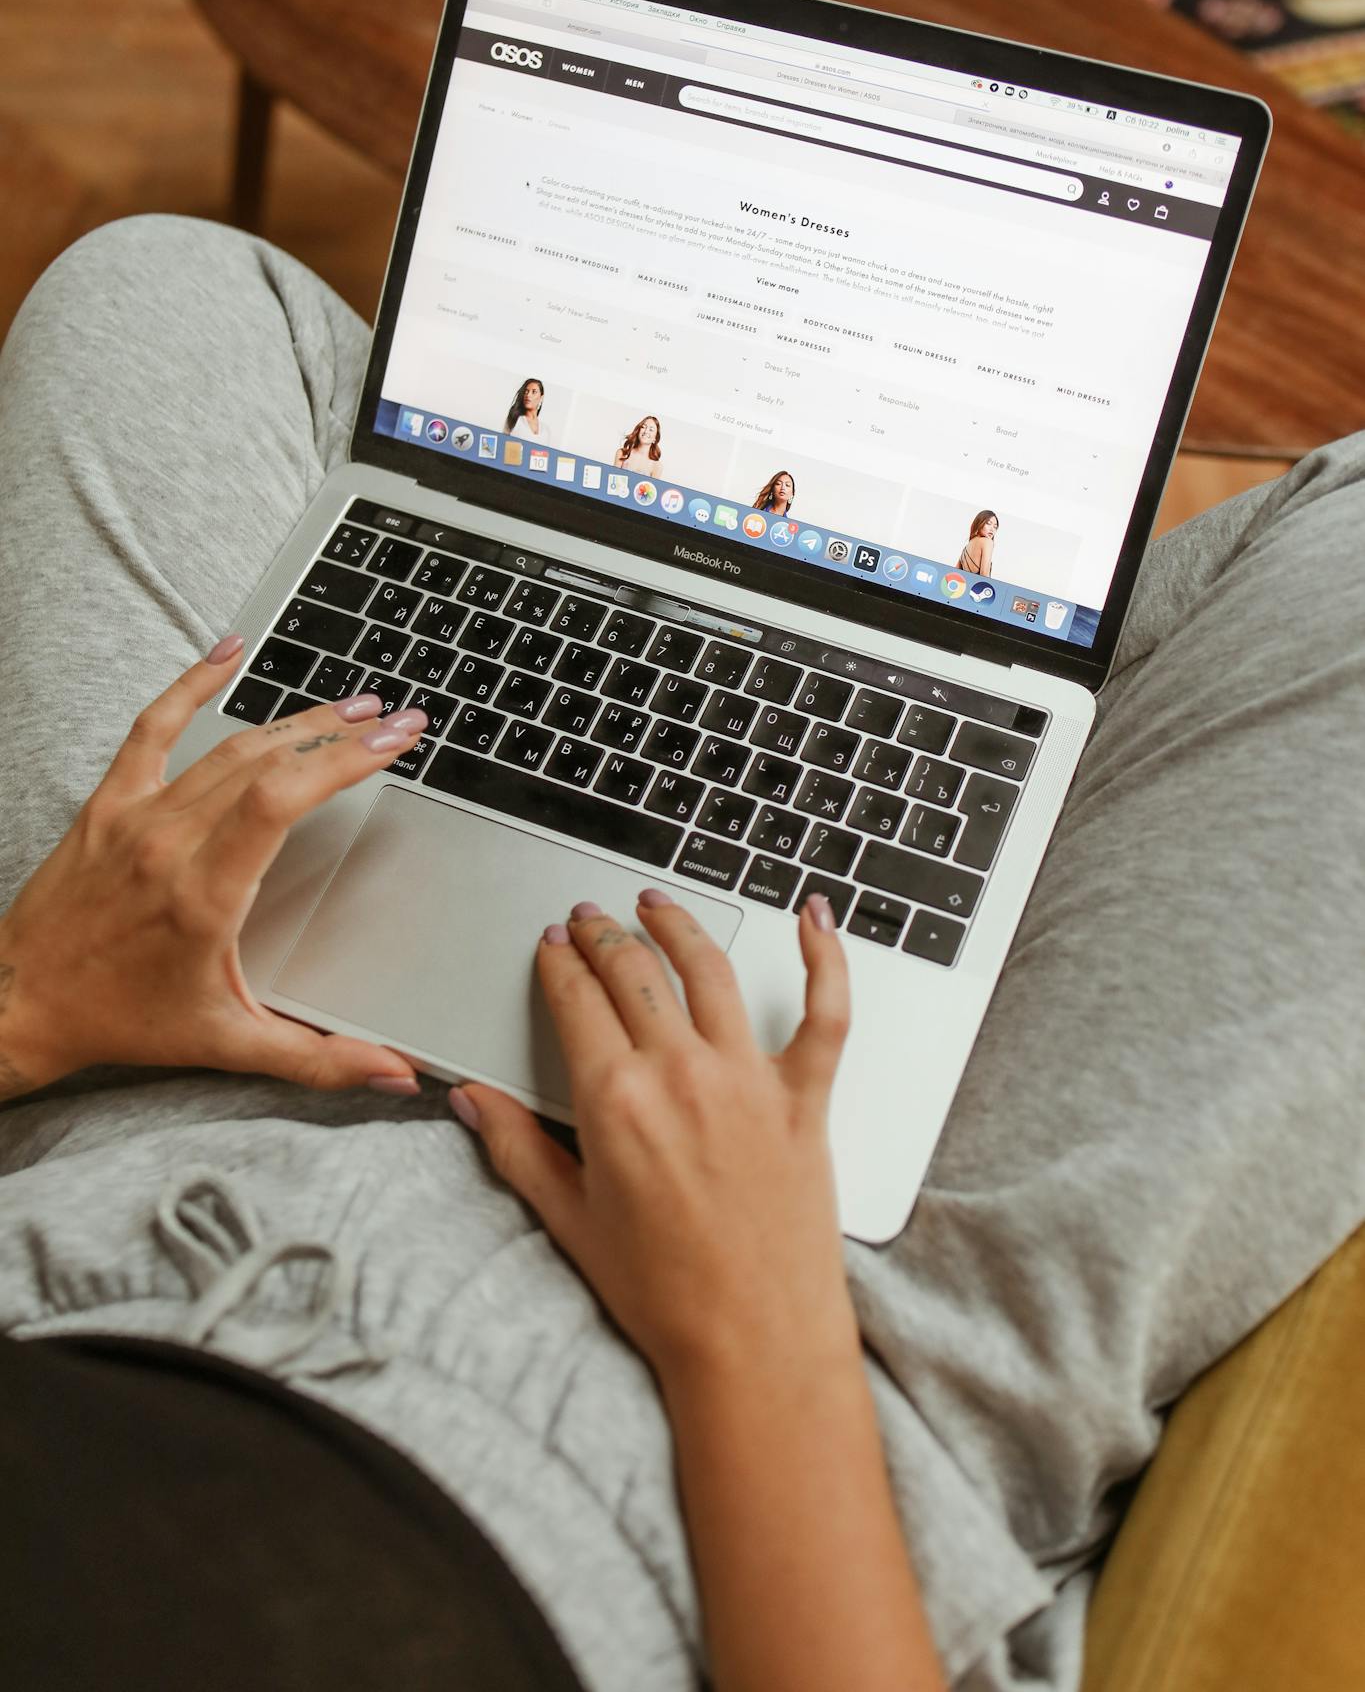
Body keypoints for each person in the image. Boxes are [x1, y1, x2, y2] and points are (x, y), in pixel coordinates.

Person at [1, 217, 1361, 1692]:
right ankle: (963, 703)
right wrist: (746, 1322)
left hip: (153, 1157)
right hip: (799, 1390)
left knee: (171, 287)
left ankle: (890, 687)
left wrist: (31, 1001)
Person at [504, 377, 551, 443]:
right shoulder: (514, 420)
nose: (528, 395)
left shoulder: (546, 430)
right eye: (526, 391)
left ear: (541, 397)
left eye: (534, 392)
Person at [959, 509, 997, 577]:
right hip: (978, 587)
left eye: (995, 527)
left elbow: (955, 572)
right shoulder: (987, 542)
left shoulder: (967, 546)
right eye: (988, 523)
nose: (992, 529)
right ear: (979, 523)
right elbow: (984, 575)